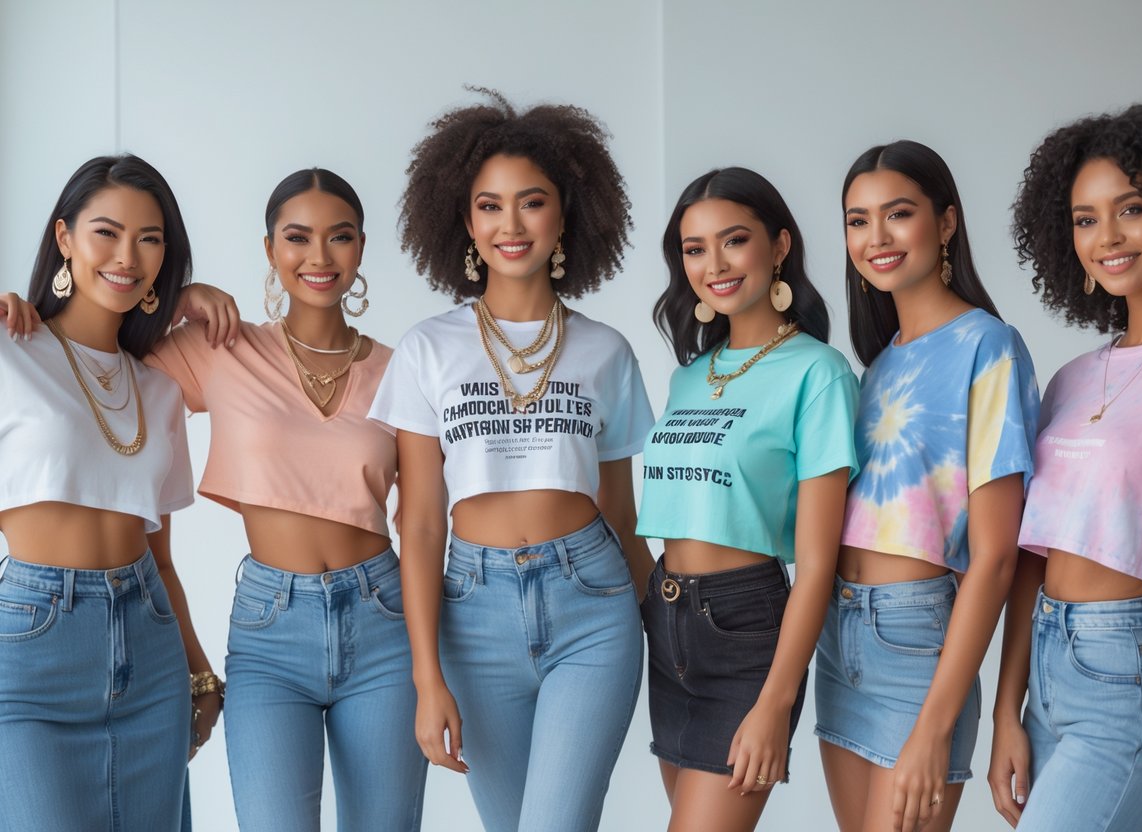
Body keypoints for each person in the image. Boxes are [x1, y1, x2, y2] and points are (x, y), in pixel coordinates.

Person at [369, 89, 654, 832]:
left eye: (531, 203)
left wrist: (674, 629)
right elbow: (423, 524)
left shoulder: (606, 352)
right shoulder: (428, 349)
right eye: (489, 206)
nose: (510, 224)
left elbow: (622, 517)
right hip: (472, 614)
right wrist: (426, 677)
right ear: (465, 222)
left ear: (565, 215)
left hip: (591, 605)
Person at [144, 168, 428, 831]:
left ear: (361, 248)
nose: (319, 257)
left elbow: (420, 523)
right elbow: (103, 372)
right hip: (270, 634)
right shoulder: (220, 348)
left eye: (340, 237)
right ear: (270, 248)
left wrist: (432, 662)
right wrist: (172, 298)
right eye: (297, 238)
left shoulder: (402, 370)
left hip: (383, 621)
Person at [990, 100, 1142, 832]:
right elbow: (1032, 558)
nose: (1105, 237)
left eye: (1131, 208)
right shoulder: (1072, 378)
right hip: (1047, 681)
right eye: (1084, 219)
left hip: (1127, 683)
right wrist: (1006, 712)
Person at [817, 141, 1039, 832]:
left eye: (897, 214)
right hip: (837, 634)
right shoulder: (876, 364)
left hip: (915, 642)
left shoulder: (987, 346)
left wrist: (935, 725)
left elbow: (998, 556)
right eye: (857, 220)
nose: (874, 238)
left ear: (944, 223)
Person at [0, 154, 220, 831]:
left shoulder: (159, 388)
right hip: (34, 644)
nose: (128, 255)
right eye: (106, 232)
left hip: (148, 640)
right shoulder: (10, 349)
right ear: (64, 238)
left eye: (149, 239)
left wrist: (200, 671)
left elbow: (160, 558)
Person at [638, 167, 858, 832]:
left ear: (779, 245)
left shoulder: (817, 373)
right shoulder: (686, 376)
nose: (714, 264)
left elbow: (818, 564)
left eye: (733, 240)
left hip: (744, 631)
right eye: (694, 249)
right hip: (666, 622)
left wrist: (774, 702)